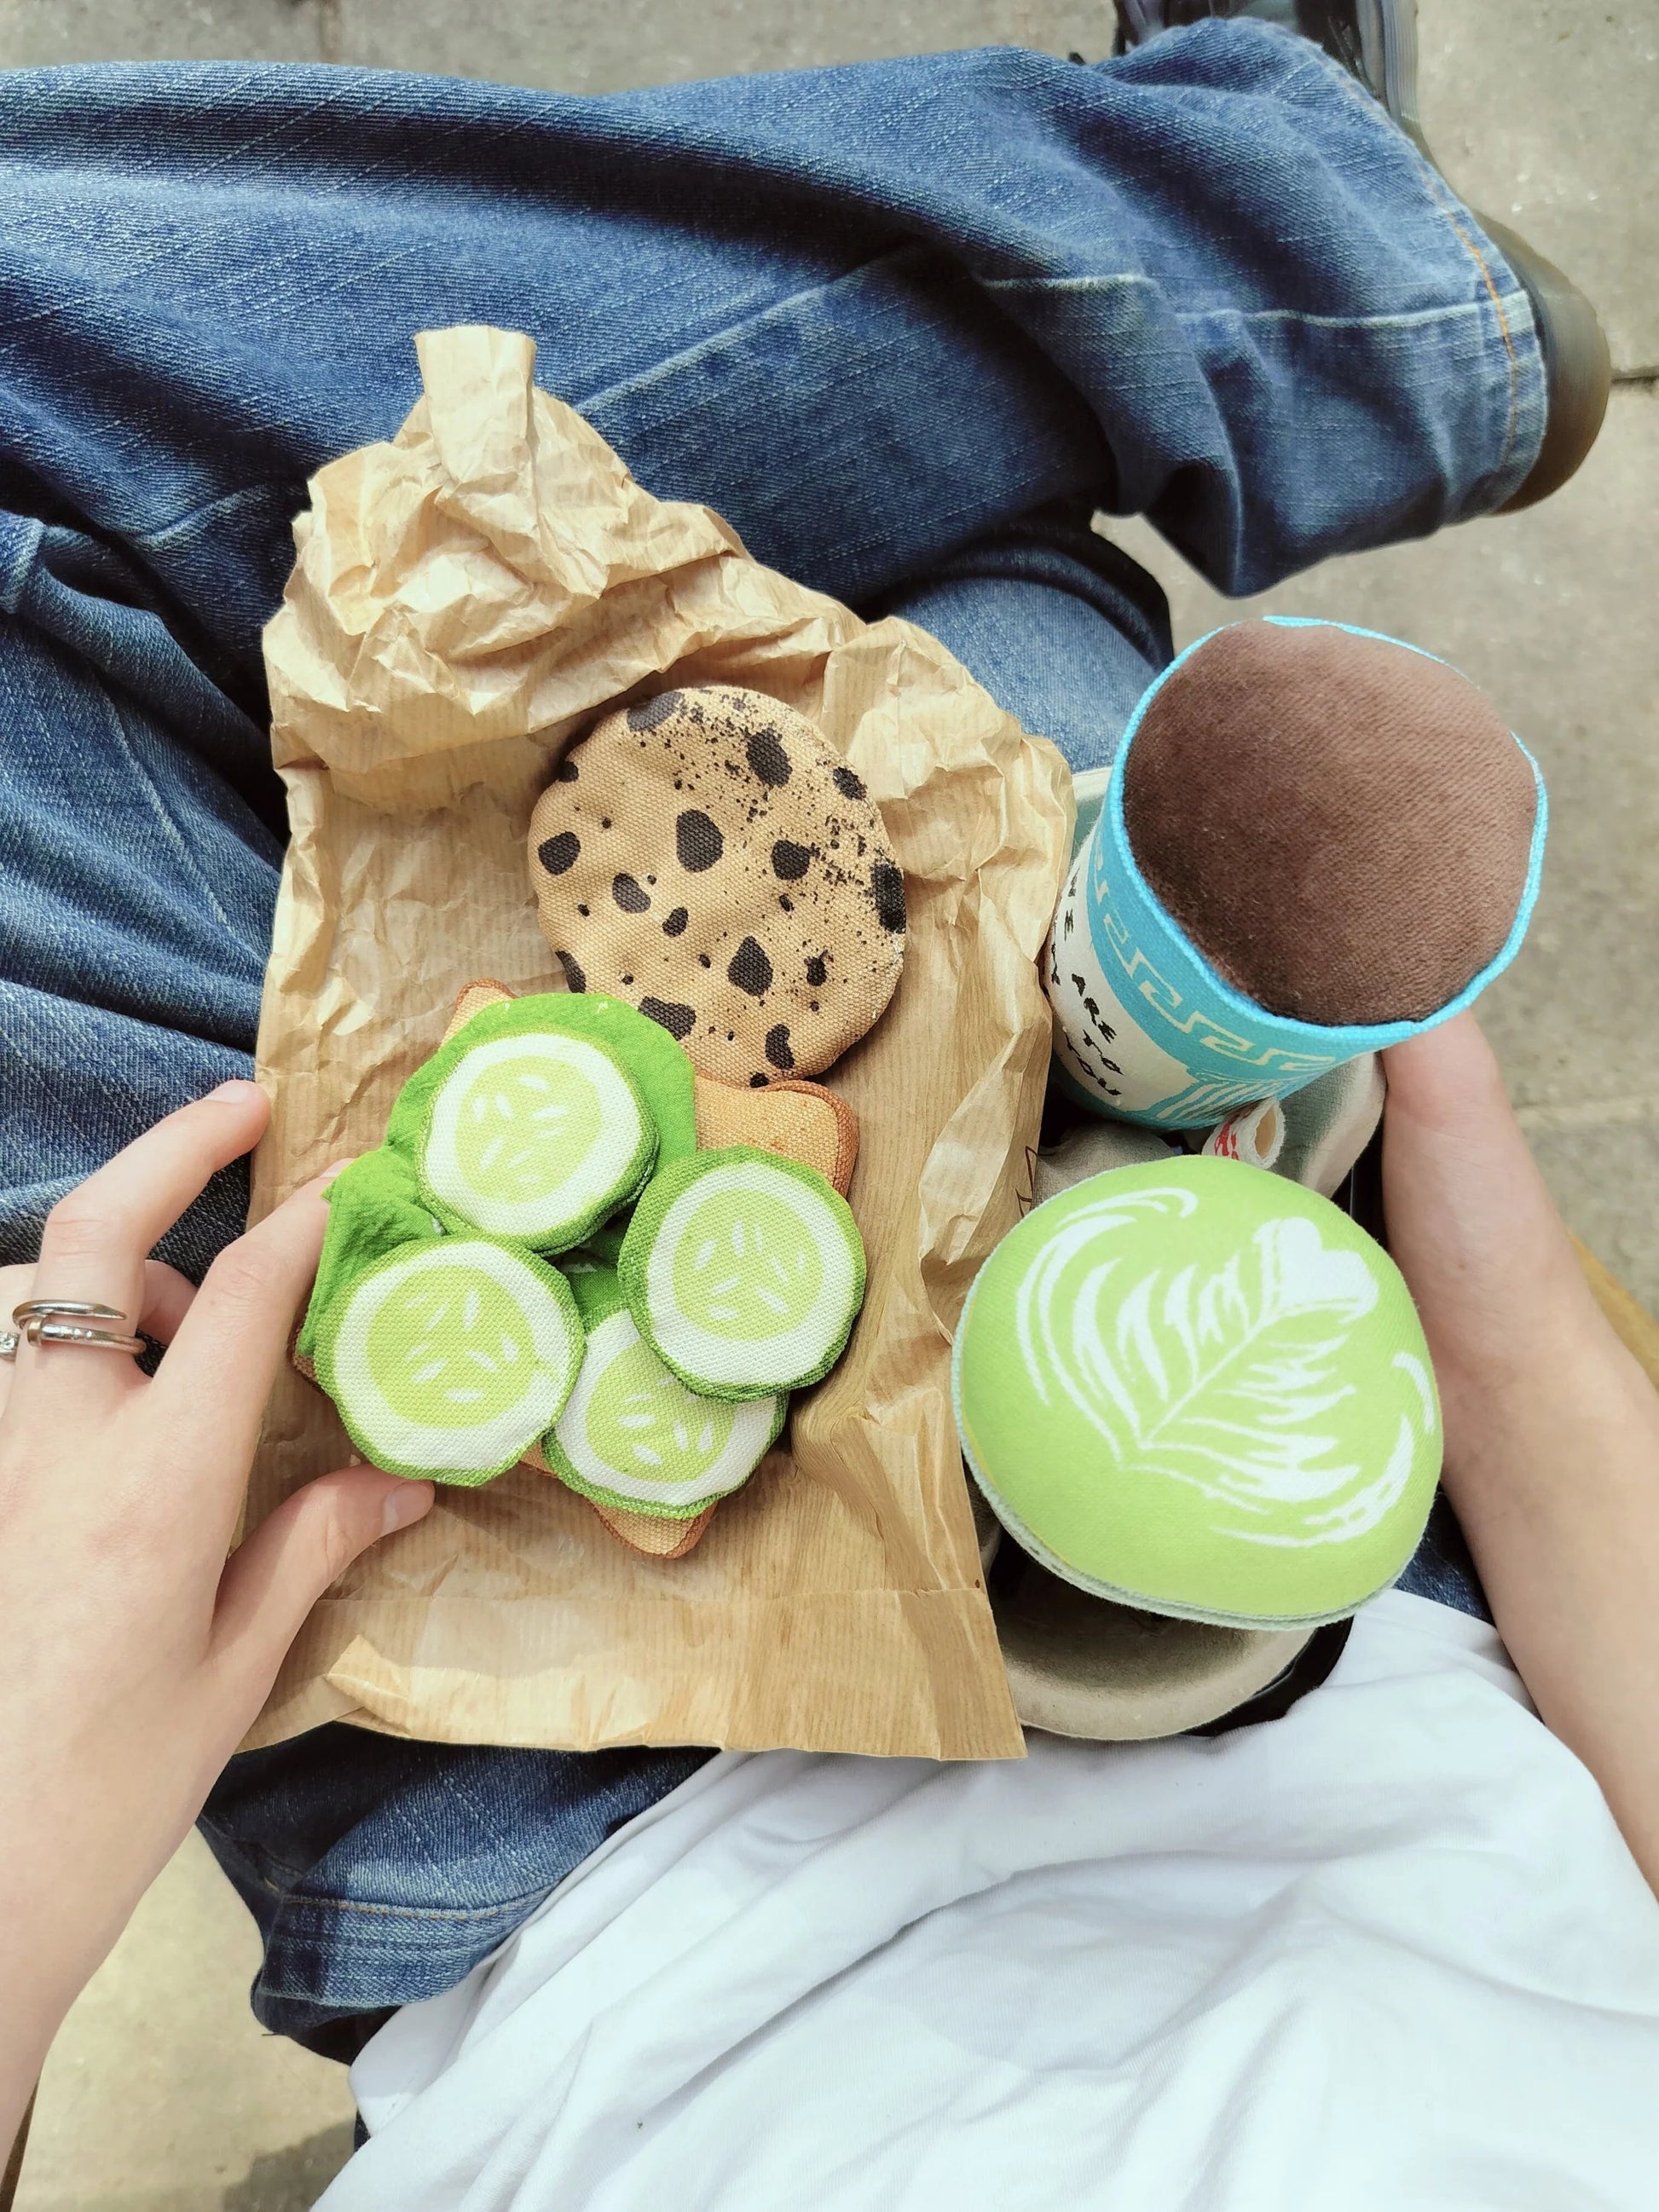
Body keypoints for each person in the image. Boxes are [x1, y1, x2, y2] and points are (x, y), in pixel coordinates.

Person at [2, 3, 1655, 2202]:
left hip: (536, 1829)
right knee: (991, 607)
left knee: (923, 554)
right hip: (1337, 1593)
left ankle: (1315, 279)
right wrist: (1510, 1307)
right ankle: (1286, 284)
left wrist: (27, 1805)